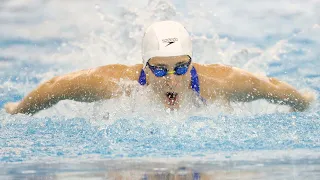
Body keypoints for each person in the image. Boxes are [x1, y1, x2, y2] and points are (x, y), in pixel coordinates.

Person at [4, 21, 314, 115]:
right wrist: (17, 110)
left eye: (181, 69)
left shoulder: (220, 82)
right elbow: (56, 87)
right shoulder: (115, 82)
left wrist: (303, 102)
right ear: (144, 67)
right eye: (160, 70)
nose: (172, 80)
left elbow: (272, 88)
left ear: (192, 63)